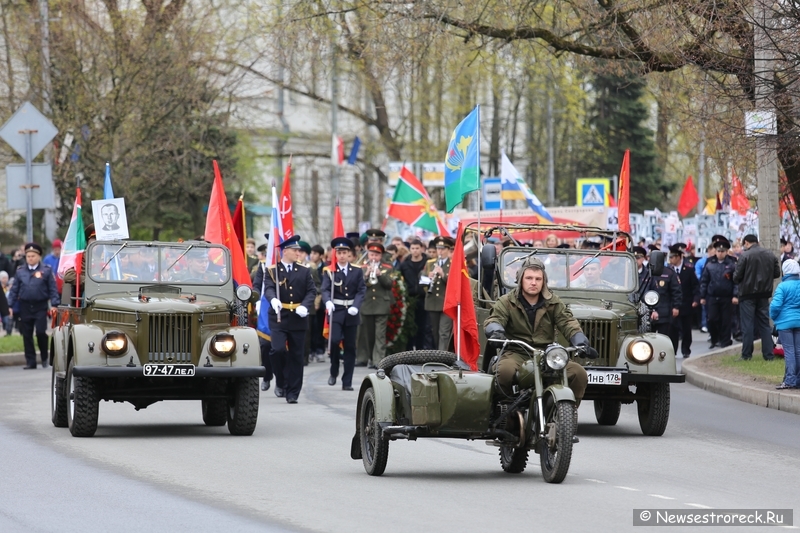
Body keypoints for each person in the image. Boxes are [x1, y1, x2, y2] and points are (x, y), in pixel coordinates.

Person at [483, 256, 596, 403]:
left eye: (538, 279)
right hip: (517, 352)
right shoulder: (507, 301)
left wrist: (580, 340)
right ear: (520, 279)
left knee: (578, 373)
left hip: (547, 355)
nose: (533, 282)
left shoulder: (553, 302)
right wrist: (496, 331)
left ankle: (566, 413)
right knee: (504, 372)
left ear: (544, 282)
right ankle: (505, 410)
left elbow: (568, 322)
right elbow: (495, 318)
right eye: (529, 278)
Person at [262, 235, 316, 403]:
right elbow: (269, 289)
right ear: (285, 251)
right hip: (279, 316)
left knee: (296, 356)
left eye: (298, 250)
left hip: (298, 317)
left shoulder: (305, 270)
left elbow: (311, 291)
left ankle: (293, 392)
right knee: (277, 350)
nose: (298, 253)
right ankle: (281, 380)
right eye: (295, 250)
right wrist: (273, 300)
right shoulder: (272, 271)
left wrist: (305, 306)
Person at [322, 237, 366, 391]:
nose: (341, 255)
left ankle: (347, 381)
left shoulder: (357, 270)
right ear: (335, 254)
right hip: (336, 312)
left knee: (350, 347)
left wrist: (356, 306)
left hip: (352, 313)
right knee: (334, 342)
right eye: (339, 252)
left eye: (345, 252)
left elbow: (361, 290)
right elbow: (325, 289)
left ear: (349, 254)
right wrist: (327, 301)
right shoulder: (330, 271)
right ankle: (334, 370)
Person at [7, 242, 60, 369]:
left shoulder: (46, 270)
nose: (30, 258)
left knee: (41, 332)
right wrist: (9, 305)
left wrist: (54, 304)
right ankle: (30, 361)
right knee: (27, 334)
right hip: (25, 306)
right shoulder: (20, 272)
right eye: (28, 256)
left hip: (40, 306)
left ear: (39, 256)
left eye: (33, 256)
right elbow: (14, 289)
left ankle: (44, 358)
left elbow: (52, 289)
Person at [733, 234, 781, 361]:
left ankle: (746, 355)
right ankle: (768, 354)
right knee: (765, 324)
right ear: (757, 242)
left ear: (747, 242)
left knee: (747, 325)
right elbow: (776, 273)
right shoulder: (770, 254)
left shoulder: (744, 256)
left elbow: (736, 277)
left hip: (747, 294)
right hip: (764, 294)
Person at [357, 243, 395, 368]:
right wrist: (366, 275)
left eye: (377, 255)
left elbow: (390, 285)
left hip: (381, 305)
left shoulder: (387, 267)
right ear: (368, 254)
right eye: (371, 254)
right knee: (367, 334)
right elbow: (358, 286)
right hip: (367, 304)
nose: (374, 257)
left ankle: (378, 360)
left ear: (381, 255)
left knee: (380, 334)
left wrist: (380, 274)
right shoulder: (362, 267)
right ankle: (366, 357)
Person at [700, 237, 738, 349]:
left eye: (722, 251)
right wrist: (702, 296)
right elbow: (704, 280)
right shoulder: (710, 263)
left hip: (727, 297)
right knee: (712, 319)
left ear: (726, 252)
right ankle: (714, 339)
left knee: (726, 320)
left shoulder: (731, 263)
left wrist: (735, 295)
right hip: (712, 296)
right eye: (718, 251)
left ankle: (725, 341)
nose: (720, 253)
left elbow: (736, 281)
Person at [770, 259, 800, 389]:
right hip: (798, 321)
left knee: (789, 352)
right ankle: (798, 379)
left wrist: (775, 317)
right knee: (798, 351)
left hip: (785, 323)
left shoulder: (782, 286)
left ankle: (789, 380)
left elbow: (775, 305)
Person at [667, 245, 699, 357]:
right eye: (670, 257)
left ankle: (686, 350)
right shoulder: (669, 271)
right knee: (673, 329)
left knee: (686, 329)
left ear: (679, 257)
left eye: (673, 257)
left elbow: (695, 286)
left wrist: (696, 299)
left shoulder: (689, 270)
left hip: (686, 304)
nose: (671, 259)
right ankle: (673, 350)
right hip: (673, 305)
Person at [399, 238, 430, 350]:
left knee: (422, 327)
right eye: (413, 248)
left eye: (417, 248)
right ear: (410, 249)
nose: (415, 251)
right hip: (410, 299)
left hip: (424, 298)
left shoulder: (428, 262)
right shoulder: (405, 264)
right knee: (410, 326)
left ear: (421, 249)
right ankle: (409, 351)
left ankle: (420, 350)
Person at [423, 236, 453, 351]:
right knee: (434, 331)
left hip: (446, 301)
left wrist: (443, 274)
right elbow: (421, 279)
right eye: (438, 248)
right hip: (432, 302)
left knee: (444, 332)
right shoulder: (430, 263)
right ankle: (438, 353)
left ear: (448, 250)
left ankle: (442, 357)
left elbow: (454, 282)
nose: (440, 251)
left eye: (443, 249)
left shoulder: (452, 264)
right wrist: (427, 277)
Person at [645, 249, 682, 336]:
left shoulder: (669, 272)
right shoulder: (645, 272)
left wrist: (676, 306)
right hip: (646, 311)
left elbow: (676, 291)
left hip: (664, 310)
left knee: (664, 336)